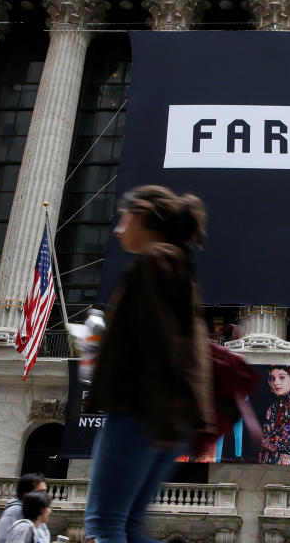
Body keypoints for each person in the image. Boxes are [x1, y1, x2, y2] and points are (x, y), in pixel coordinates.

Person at [83, 185, 215, 543]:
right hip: (164, 414)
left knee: (105, 524)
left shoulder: (156, 262)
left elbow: (162, 343)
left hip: (142, 410)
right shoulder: (175, 264)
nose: (117, 228)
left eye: (123, 217)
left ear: (143, 216)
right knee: (125, 527)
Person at [0, 472, 47, 543]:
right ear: (26, 494)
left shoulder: (39, 512)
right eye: (40, 492)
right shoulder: (12, 513)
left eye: (45, 491)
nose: (45, 495)